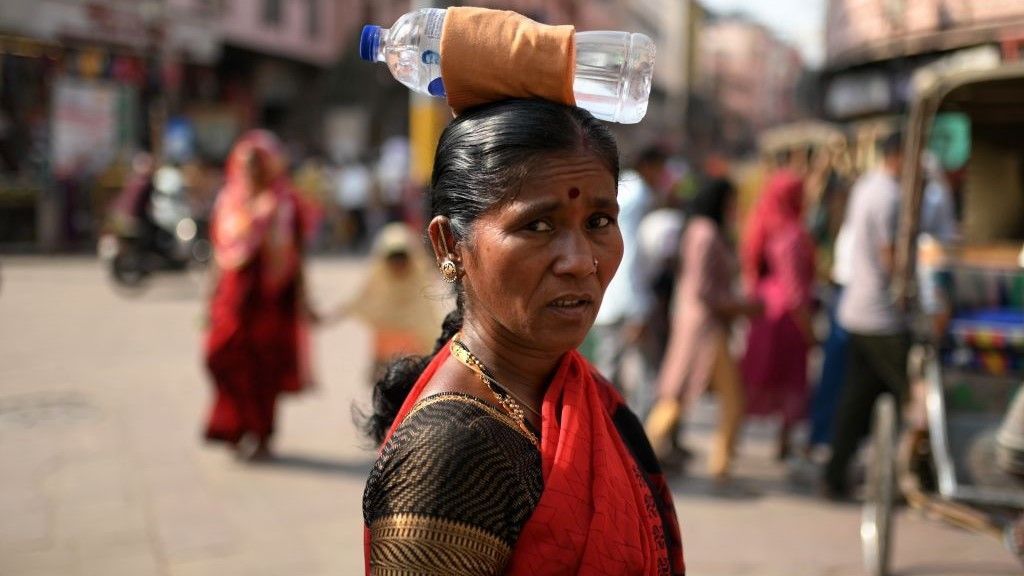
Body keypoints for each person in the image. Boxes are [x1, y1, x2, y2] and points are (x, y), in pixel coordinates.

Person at [361, 99, 684, 575]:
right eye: (537, 225)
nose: (579, 261)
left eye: (598, 222)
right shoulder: (450, 452)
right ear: (449, 245)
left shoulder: (582, 392)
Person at [203, 130, 318, 462]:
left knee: (264, 369)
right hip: (232, 298)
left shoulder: (284, 203)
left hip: (271, 299)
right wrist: (209, 299)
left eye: (258, 164)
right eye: (246, 164)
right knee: (222, 355)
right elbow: (218, 253)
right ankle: (234, 425)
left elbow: (298, 254)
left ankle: (260, 433)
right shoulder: (228, 201)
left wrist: (303, 297)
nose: (251, 171)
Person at [645, 178, 762, 481]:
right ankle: (642, 452)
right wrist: (741, 307)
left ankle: (718, 463)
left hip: (703, 325)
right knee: (691, 396)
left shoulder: (699, 230)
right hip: (705, 329)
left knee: (682, 395)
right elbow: (703, 290)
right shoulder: (706, 234)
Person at [823, 131, 909, 498]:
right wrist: (907, 291)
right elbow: (889, 253)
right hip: (880, 314)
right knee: (913, 395)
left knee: (857, 398)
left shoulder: (867, 186)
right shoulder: (889, 194)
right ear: (899, 155)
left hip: (857, 309)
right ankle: (908, 478)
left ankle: (835, 474)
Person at [740, 170, 816, 461]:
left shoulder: (762, 222)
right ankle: (783, 443)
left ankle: (734, 440)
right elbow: (796, 289)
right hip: (788, 318)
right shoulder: (793, 234)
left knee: (760, 376)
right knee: (792, 382)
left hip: (764, 311)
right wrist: (809, 329)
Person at [590, 146, 668, 406]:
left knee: (611, 371)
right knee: (633, 373)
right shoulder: (638, 195)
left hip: (611, 298)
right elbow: (631, 252)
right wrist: (637, 307)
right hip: (627, 300)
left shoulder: (624, 189)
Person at [332, 222, 442, 380]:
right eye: (393, 258)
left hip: (414, 359)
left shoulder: (419, 287)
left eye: (402, 258)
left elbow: (429, 328)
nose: (398, 264)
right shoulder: (379, 283)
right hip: (384, 357)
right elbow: (356, 302)